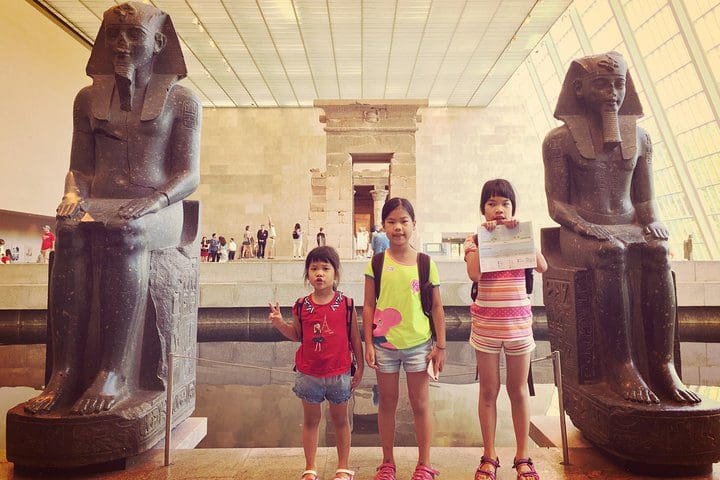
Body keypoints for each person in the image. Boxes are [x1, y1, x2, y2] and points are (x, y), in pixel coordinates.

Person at [24, 1, 201, 415]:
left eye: (133, 36)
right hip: (101, 201)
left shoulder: (181, 101)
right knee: (67, 231)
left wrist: (152, 201)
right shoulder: (87, 99)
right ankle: (65, 372)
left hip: (161, 207)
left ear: (158, 43)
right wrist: (72, 197)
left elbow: (188, 175)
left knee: (127, 231)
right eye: (113, 36)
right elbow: (81, 168)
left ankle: (113, 372)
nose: (121, 45)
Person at [543, 51, 700, 405]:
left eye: (618, 85)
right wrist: (585, 226)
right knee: (610, 253)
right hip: (582, 231)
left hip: (628, 224)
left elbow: (644, 199)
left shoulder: (641, 139)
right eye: (601, 85)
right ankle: (621, 366)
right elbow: (557, 204)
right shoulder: (559, 140)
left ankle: (663, 365)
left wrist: (652, 221)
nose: (612, 93)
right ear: (579, 89)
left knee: (658, 251)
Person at [463, 179, 547, 480]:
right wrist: (487, 241)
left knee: (518, 390)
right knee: (488, 391)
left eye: (504, 203)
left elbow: (542, 266)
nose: (498, 209)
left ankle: (523, 456)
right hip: (486, 326)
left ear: (513, 208)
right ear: (483, 209)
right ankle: (489, 455)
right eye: (492, 203)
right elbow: (474, 272)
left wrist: (519, 237)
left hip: (519, 327)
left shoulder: (521, 236)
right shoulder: (473, 240)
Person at [363, 197, 446, 480]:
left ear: (414, 225)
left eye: (404, 221)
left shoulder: (425, 263)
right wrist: (367, 343)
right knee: (387, 402)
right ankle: (388, 462)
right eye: (392, 222)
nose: (398, 227)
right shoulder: (375, 263)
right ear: (383, 226)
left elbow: (436, 307)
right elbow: (369, 306)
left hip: (419, 345)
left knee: (420, 403)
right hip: (384, 345)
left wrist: (441, 346)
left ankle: (424, 463)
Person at [269, 246, 364, 480]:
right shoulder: (301, 305)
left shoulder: (346, 304)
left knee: (341, 421)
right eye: (313, 269)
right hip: (309, 373)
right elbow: (298, 335)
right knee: (311, 421)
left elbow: (354, 338)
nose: (319, 273)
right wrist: (280, 324)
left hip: (339, 372)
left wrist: (360, 366)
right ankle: (310, 467)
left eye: (325, 268)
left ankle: (343, 467)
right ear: (307, 274)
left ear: (335, 274)